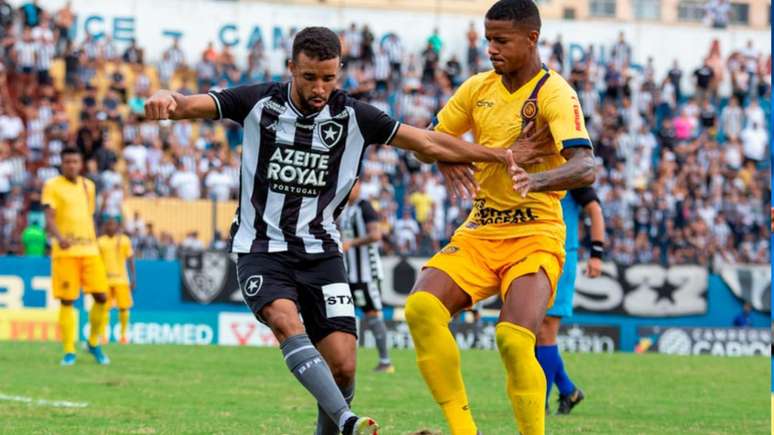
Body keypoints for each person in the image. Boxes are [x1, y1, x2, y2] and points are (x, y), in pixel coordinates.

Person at [143, 26, 551, 435]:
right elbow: (188, 104)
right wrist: (168, 99)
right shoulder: (257, 101)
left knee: (343, 365)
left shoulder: (357, 117)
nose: (320, 88)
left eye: (328, 78)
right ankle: (347, 421)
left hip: (322, 253)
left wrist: (500, 156)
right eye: (309, 78)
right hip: (262, 247)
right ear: (291, 69)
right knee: (286, 321)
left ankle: (337, 423)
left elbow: (428, 143)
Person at [404, 1, 596, 434]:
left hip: (535, 232)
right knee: (420, 309)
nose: (491, 48)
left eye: (501, 40)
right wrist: (442, 157)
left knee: (512, 338)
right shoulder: (477, 89)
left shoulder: (555, 93)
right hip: (482, 229)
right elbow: (425, 142)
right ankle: (463, 429)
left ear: (532, 39)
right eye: (488, 38)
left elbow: (586, 166)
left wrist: (538, 181)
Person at [536, 187, 605, 415]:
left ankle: (540, 403)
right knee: (532, 332)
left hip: (561, 255)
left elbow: (594, 209)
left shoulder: (570, 169)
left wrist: (596, 254)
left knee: (546, 330)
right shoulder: (533, 166)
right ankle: (568, 390)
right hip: (532, 253)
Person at [42, 147, 110, 365]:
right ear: (62, 163)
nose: (71, 165)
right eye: (67, 161)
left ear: (81, 164)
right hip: (66, 252)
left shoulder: (88, 186)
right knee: (68, 300)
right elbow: (49, 218)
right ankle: (69, 350)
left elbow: (88, 216)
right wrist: (59, 237)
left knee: (102, 296)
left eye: (75, 161)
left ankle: (92, 342)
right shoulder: (52, 185)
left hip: (90, 249)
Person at [340, 180, 393, 373]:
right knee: (343, 315)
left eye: (351, 185)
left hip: (366, 274)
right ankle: (342, 358)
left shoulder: (365, 207)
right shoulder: (347, 209)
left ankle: (385, 362)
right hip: (349, 272)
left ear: (359, 185)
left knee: (371, 314)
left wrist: (351, 243)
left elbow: (376, 235)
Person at [97, 215, 136, 344]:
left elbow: (130, 259)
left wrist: (133, 278)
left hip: (122, 280)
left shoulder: (124, 240)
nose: (110, 227)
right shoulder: (100, 242)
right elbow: (96, 262)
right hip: (105, 280)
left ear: (118, 226)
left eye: (113, 224)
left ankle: (123, 336)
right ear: (104, 227)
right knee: (104, 308)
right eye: (108, 224)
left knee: (124, 308)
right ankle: (103, 336)